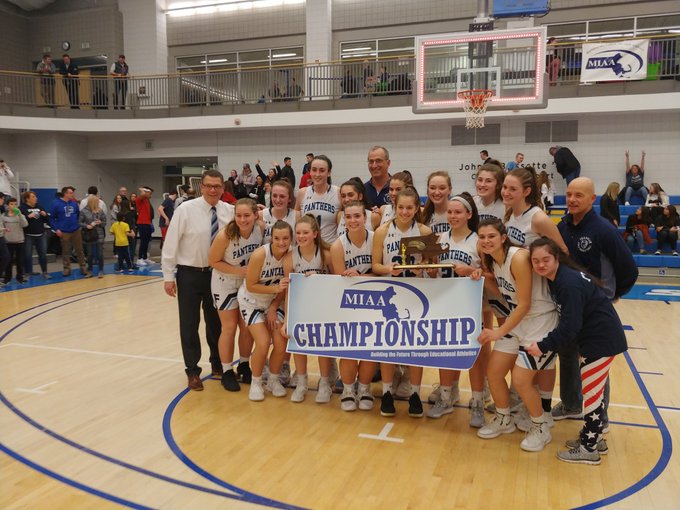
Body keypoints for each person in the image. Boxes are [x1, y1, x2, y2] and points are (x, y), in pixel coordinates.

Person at [527, 237, 627, 464]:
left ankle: (588, 450)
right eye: (536, 261)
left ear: (557, 258)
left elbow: (570, 325)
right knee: (596, 393)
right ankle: (595, 438)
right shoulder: (561, 278)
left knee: (591, 395)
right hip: (598, 339)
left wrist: (542, 346)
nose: (541, 265)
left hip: (600, 341)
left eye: (546, 260)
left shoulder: (568, 283)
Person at [554, 177, 637, 429]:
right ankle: (571, 404)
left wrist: (612, 294)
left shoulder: (604, 230)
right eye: (569, 194)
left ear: (592, 199)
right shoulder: (562, 226)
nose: (572, 200)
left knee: (593, 360)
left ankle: (600, 418)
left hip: (594, 309)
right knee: (567, 354)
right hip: (568, 305)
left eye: (579, 195)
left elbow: (629, 269)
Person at [473, 219, 558, 452]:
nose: (486, 241)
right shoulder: (495, 261)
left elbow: (525, 304)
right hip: (519, 321)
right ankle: (503, 418)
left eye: (491, 236)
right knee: (494, 371)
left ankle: (541, 427)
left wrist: (498, 331)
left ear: (502, 237)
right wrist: (482, 277)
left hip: (540, 321)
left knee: (521, 380)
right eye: (482, 237)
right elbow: (506, 295)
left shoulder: (518, 257)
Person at [161, 169, 235, 391]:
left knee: (217, 323)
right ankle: (192, 370)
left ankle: (217, 363)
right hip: (189, 273)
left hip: (218, 274)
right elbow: (171, 243)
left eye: (217, 186)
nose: (213, 190)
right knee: (189, 324)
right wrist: (168, 276)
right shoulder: (185, 210)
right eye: (209, 186)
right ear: (201, 187)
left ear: (223, 188)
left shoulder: (230, 212)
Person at [372, 187, 432, 419]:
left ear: (417, 208)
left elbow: (431, 261)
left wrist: (423, 267)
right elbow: (375, 265)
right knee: (387, 346)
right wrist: (389, 269)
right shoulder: (382, 231)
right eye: (401, 207)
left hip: (417, 294)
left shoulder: (424, 230)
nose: (405, 212)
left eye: (410, 208)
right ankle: (387, 392)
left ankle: (415, 394)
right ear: (394, 208)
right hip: (391, 295)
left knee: (415, 348)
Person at [427, 193, 486, 427]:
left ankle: (478, 402)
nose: (453, 216)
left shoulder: (479, 241)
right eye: (450, 212)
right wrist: (430, 271)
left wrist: (473, 270)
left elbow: (488, 273)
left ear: (469, 214)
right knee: (445, 353)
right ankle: (445, 397)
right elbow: (431, 272)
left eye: (458, 212)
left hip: (470, 306)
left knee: (474, 356)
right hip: (445, 304)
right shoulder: (439, 238)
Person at [208, 198, 262, 392]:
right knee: (229, 328)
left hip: (247, 284)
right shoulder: (225, 235)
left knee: (247, 327)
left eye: (247, 215)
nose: (242, 219)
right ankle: (226, 371)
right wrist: (238, 271)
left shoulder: (260, 229)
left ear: (255, 215)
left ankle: (245, 364)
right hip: (225, 283)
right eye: (238, 215)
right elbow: (213, 261)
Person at [330, 200, 376, 411]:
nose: (353, 220)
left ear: (365, 218)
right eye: (349, 217)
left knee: (369, 349)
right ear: (344, 220)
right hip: (350, 301)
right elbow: (341, 280)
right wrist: (357, 279)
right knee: (349, 348)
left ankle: (364, 388)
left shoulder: (376, 240)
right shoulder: (338, 245)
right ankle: (349, 389)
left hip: (376, 300)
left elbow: (383, 272)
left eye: (357, 216)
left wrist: (361, 276)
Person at [238, 220, 291, 401]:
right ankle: (256, 381)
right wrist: (275, 289)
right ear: (271, 238)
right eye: (277, 238)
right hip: (251, 301)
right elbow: (251, 286)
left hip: (272, 303)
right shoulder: (261, 254)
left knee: (280, 343)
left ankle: (273, 380)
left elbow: (285, 288)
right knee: (262, 342)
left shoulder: (290, 256)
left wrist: (274, 307)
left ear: (291, 239)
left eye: (285, 238)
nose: (281, 242)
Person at [283, 215, 333, 403]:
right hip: (300, 306)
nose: (301, 236)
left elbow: (338, 282)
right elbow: (289, 290)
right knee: (298, 344)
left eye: (305, 232)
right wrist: (288, 318)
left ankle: (325, 383)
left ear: (315, 234)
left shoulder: (326, 255)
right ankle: (302, 382)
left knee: (322, 347)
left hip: (323, 307)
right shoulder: (290, 257)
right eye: (298, 233)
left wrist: (320, 280)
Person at [503, 167, 568, 253]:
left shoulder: (538, 219)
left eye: (513, 189)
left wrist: (534, 254)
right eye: (504, 187)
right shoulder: (509, 211)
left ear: (526, 192)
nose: (506, 193)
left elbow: (564, 251)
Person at [295, 155, 341, 244]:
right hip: (308, 248)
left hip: (330, 248)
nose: (317, 174)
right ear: (310, 172)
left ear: (329, 173)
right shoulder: (302, 193)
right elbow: (295, 219)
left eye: (322, 170)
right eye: (314, 170)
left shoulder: (338, 192)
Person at [50, 186, 89, 277]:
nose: (72, 195)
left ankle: (83, 267)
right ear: (65, 194)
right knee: (66, 251)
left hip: (75, 230)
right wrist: (56, 229)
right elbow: (51, 218)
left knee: (80, 250)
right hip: (64, 231)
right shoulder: (56, 204)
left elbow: (78, 215)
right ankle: (66, 268)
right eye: (71, 193)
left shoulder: (74, 204)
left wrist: (79, 225)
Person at [20, 191, 50, 279]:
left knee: (43, 254)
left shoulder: (39, 206)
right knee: (27, 255)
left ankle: (45, 272)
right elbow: (20, 221)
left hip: (41, 234)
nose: (35, 198)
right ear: (27, 199)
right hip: (28, 235)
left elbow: (46, 220)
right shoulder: (22, 208)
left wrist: (45, 215)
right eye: (33, 197)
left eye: (35, 196)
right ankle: (27, 273)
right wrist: (28, 217)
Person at [260, 180, 298, 244]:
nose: (278, 200)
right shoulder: (261, 215)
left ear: (289, 198)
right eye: (274, 196)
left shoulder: (297, 216)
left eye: (282, 196)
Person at [79, 195, 107, 278]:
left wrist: (100, 223)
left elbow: (104, 222)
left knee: (100, 254)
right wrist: (87, 226)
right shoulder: (83, 211)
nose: (98, 203)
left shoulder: (100, 211)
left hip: (99, 234)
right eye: (97, 202)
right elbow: (79, 222)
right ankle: (90, 270)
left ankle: (101, 270)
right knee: (90, 254)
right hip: (89, 235)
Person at [2, 197, 28, 284]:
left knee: (20, 261)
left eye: (15, 204)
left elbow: (25, 225)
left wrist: (20, 215)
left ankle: (20, 277)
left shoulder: (20, 215)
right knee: (8, 261)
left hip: (19, 241)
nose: (14, 206)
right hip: (8, 241)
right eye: (12, 204)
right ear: (7, 205)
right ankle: (7, 278)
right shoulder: (3, 216)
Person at [421, 171, 452, 235]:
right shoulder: (422, 216)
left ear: (450, 190)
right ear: (428, 190)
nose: (437, 192)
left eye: (442, 188)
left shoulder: (459, 214)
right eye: (432, 188)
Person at [135, 187, 154, 266]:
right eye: (150, 194)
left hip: (148, 223)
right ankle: (139, 259)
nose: (151, 195)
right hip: (142, 223)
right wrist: (143, 190)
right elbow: (142, 194)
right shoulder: (140, 200)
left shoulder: (147, 201)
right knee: (143, 241)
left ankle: (145, 258)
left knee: (147, 241)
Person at [0, 195, 10, 288]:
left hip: (1, 237)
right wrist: (3, 228)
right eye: (2, 198)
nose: (3, 200)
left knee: (6, 256)